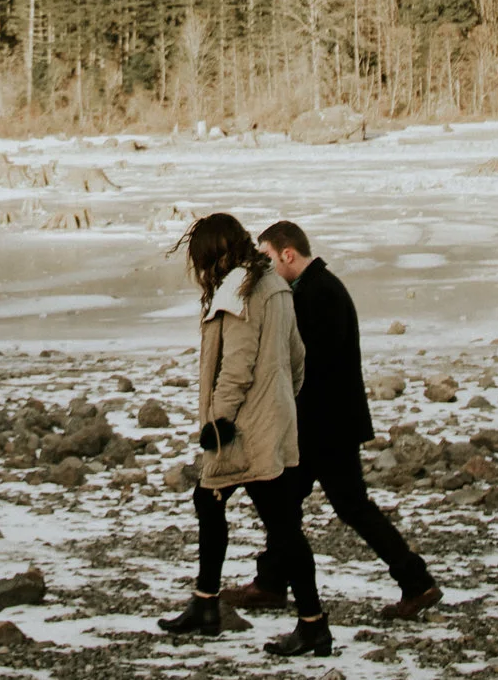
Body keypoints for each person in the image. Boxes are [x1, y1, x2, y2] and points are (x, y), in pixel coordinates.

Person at [227, 220, 443, 621]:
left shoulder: (319, 293)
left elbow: (309, 364)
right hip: (324, 422)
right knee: (295, 504)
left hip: (322, 425)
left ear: (287, 254)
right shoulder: (313, 290)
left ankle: (415, 581)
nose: (265, 267)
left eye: (267, 258)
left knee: (334, 505)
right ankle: (272, 581)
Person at [154, 212, 334, 656]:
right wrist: (280, 404)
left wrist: (218, 422)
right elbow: (297, 358)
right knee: (218, 503)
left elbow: (235, 367)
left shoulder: (239, 290)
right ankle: (207, 603)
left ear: (214, 255)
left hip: (240, 428)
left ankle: (310, 624)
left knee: (280, 526)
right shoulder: (274, 285)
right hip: (271, 420)